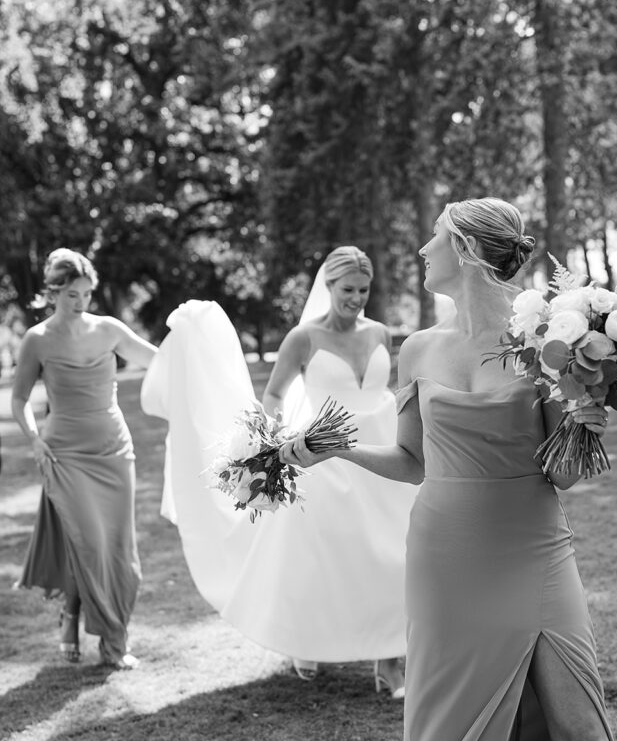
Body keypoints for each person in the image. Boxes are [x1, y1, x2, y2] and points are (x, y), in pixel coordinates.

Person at [280, 200, 617, 741]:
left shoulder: (547, 345)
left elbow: (560, 476)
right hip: (444, 560)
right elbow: (413, 462)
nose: (421, 249)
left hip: (533, 553)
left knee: (583, 737)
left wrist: (588, 418)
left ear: (470, 251)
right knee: (443, 738)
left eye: (435, 238)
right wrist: (334, 451)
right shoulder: (417, 348)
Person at [140, 247, 416, 696]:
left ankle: (389, 659)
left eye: (363, 290)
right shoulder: (303, 338)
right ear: (328, 287)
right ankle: (307, 637)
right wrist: (271, 442)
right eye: (348, 290)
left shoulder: (380, 333)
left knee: (395, 552)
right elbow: (273, 395)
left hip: (382, 450)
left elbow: (385, 392)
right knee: (324, 556)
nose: (356, 299)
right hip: (324, 455)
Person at [12, 248, 157, 669]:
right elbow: (19, 399)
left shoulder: (109, 329)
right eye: (72, 294)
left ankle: (114, 644)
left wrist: (194, 333)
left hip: (114, 450)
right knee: (88, 543)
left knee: (117, 550)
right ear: (54, 292)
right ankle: (73, 613)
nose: (81, 303)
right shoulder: (37, 339)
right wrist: (34, 439)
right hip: (64, 453)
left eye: (87, 294)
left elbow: (157, 360)